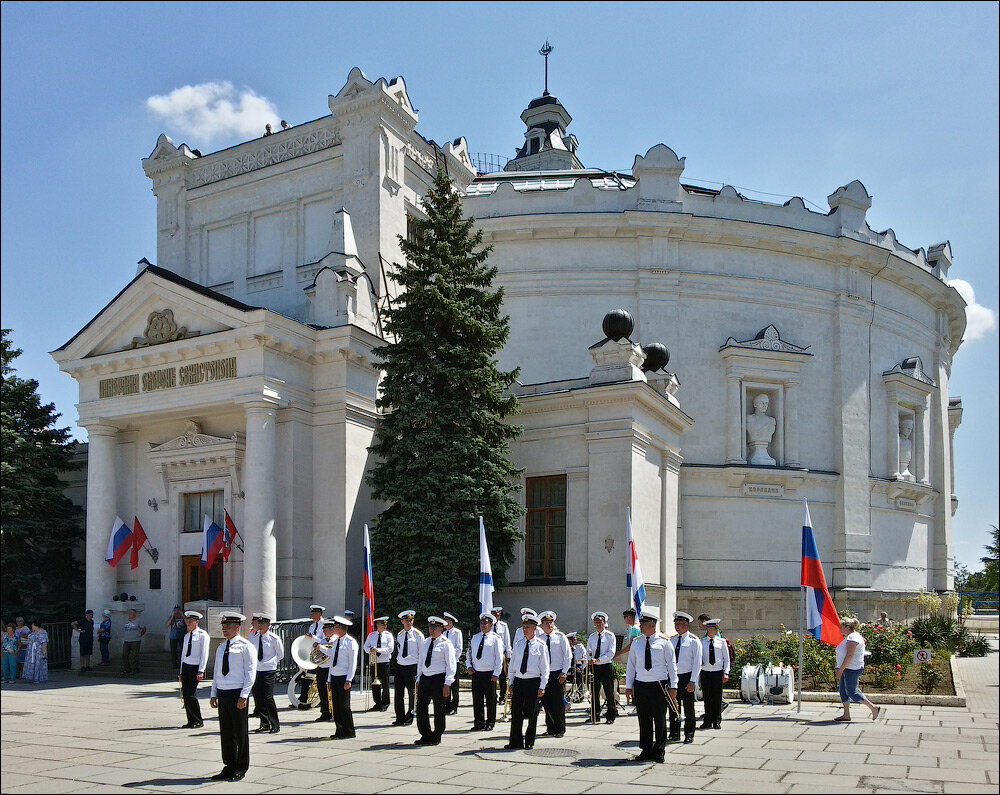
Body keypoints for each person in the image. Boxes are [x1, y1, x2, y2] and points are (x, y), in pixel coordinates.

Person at [625, 607, 678, 763]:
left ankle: (660, 750)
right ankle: (646, 749)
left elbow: (672, 665)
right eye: (640, 625)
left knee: (660, 719)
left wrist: (673, 686)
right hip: (641, 685)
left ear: (653, 626)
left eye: (644, 625)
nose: (640, 627)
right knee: (644, 719)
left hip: (658, 685)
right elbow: (631, 665)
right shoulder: (636, 643)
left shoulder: (664, 642)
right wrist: (629, 686)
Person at [209, 612, 256, 783]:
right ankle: (229, 765)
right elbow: (216, 672)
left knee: (240, 732)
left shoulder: (245, 646)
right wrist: (213, 693)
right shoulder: (221, 647)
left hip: (237, 692)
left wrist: (244, 695)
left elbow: (250, 673)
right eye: (223, 627)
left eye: (228, 627)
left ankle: (241, 767)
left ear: (237, 627)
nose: (224, 630)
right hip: (223, 692)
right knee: (226, 732)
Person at [505, 610, 549, 750]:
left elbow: (545, 668)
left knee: (532, 713)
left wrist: (542, 686)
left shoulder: (541, 646)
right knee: (516, 712)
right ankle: (515, 741)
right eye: (524, 627)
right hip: (519, 681)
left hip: (533, 682)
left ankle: (529, 741)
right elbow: (513, 665)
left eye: (528, 627)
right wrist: (511, 682)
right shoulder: (518, 644)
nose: (525, 630)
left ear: (535, 628)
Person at [414, 616, 456, 746]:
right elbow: (421, 662)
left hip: (439, 679)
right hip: (425, 679)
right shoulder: (426, 642)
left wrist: (447, 683)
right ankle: (425, 734)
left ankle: (437, 735)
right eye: (431, 627)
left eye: (435, 628)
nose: (432, 630)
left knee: (438, 709)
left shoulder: (446, 644)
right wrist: (418, 678)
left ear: (442, 629)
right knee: (421, 708)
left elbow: (451, 665)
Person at [835, 617, 881, 723]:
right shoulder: (850, 636)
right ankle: (846, 714)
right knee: (843, 691)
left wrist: (840, 669)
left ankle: (873, 708)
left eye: (841, 627)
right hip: (848, 668)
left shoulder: (853, 637)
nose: (840, 629)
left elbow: (850, 655)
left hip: (851, 669)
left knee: (851, 692)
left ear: (847, 627)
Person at [669, 611, 702, 744]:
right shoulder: (672, 640)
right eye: (676, 624)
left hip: (687, 677)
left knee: (689, 708)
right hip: (674, 677)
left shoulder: (694, 641)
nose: (677, 627)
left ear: (686, 625)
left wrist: (693, 681)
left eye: (680, 624)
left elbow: (697, 663)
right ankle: (675, 733)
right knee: (673, 707)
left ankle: (689, 734)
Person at [325, 615, 359, 740]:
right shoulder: (335, 641)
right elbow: (332, 660)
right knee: (336, 705)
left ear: (341, 628)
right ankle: (339, 730)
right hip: (334, 676)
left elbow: (353, 663)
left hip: (344, 677)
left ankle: (349, 731)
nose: (333, 629)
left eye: (335, 627)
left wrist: (349, 679)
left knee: (344, 706)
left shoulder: (351, 642)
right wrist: (329, 679)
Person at [468, 612, 503, 731]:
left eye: (486, 623)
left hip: (489, 673)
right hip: (477, 672)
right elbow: (470, 653)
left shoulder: (495, 639)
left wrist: (496, 673)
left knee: (490, 700)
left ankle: (490, 722)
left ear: (491, 625)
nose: (483, 625)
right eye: (482, 623)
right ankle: (478, 722)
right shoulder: (475, 637)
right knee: (477, 699)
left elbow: (499, 658)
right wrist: (469, 666)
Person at [249, 613, 284, 734]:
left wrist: (271, 662)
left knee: (268, 697)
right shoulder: (253, 636)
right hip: (256, 670)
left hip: (268, 670)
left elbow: (280, 654)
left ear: (268, 625)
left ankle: (275, 724)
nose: (260, 625)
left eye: (262, 623)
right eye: (258, 623)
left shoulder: (274, 638)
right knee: (258, 698)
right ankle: (264, 723)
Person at [538, 611, 570, 738]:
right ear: (541, 625)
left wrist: (564, 672)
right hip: (544, 674)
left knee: (558, 702)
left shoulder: (560, 637)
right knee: (547, 702)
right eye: (546, 623)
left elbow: (568, 656)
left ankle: (560, 728)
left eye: (551, 622)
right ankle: (550, 728)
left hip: (557, 673)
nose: (549, 625)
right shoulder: (539, 639)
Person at [179, 610, 211, 729]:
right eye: (187, 622)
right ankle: (190, 720)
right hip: (186, 667)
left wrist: (201, 670)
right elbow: (183, 655)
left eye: (190, 622)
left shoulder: (203, 635)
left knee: (191, 694)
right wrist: (181, 672)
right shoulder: (187, 636)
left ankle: (198, 720)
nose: (188, 624)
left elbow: (204, 654)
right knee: (185, 695)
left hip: (195, 667)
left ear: (196, 622)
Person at [393, 609, 423, 726]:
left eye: (410, 620)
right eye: (406, 620)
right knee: (398, 693)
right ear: (402, 622)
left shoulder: (417, 635)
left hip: (412, 666)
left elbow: (421, 653)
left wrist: (420, 671)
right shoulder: (400, 635)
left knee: (412, 693)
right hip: (401, 666)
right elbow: (400, 650)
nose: (409, 622)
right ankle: (399, 717)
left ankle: (410, 716)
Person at [586, 611, 617, 724]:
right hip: (595, 667)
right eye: (596, 622)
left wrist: (599, 659)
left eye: (600, 622)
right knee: (594, 692)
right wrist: (589, 658)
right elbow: (588, 650)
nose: (598, 624)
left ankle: (611, 715)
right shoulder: (592, 637)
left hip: (606, 666)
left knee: (609, 691)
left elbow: (611, 652)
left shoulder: (610, 636)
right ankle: (595, 715)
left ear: (604, 623)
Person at [700, 619, 730, 730]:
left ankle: (717, 720)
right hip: (706, 672)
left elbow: (726, 659)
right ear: (707, 630)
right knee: (707, 697)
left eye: (715, 629)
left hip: (717, 672)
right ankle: (707, 720)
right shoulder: (702, 642)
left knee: (717, 697)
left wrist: (726, 672)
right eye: (711, 629)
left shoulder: (721, 642)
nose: (714, 631)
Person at [362, 616, 394, 712]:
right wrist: (370, 650)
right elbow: (365, 647)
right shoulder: (371, 635)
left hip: (384, 662)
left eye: (385, 625)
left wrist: (378, 650)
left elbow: (390, 649)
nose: (384, 627)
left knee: (385, 684)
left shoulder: (388, 636)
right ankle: (377, 703)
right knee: (375, 684)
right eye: (381, 625)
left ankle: (385, 703)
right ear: (377, 626)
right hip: (374, 662)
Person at [300, 604, 325, 709]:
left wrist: (313, 638)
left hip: (321, 654)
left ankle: (319, 700)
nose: (312, 615)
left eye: (314, 613)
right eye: (312, 613)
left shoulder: (324, 625)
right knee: (306, 675)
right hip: (312, 653)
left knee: (318, 678)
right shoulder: (312, 626)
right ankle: (303, 698)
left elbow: (325, 640)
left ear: (319, 614)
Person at [313, 619, 337, 722]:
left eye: (326, 630)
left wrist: (321, 648)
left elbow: (331, 653)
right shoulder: (322, 641)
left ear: (332, 630)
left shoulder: (335, 640)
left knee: (331, 692)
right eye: (323, 630)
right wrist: (315, 648)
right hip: (321, 668)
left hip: (330, 669)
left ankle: (334, 712)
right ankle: (325, 712)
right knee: (322, 691)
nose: (324, 632)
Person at [490, 606, 513, 705]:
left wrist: (508, 655)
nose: (496, 617)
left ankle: (502, 696)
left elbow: (507, 641)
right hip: (490, 654)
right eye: (494, 615)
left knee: (503, 677)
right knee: (492, 675)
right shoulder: (488, 626)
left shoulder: (503, 626)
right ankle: (492, 696)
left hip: (501, 654)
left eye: (498, 615)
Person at [442, 612, 463, 715]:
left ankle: (454, 707)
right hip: (444, 663)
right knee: (446, 685)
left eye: (446, 621)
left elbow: (459, 649)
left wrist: (450, 658)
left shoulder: (457, 633)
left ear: (451, 622)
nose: (444, 623)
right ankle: (446, 706)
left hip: (454, 662)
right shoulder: (443, 633)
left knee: (454, 686)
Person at [121, 608, 146, 675]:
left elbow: (143, 629)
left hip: (135, 640)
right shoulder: (126, 621)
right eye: (129, 613)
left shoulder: (138, 621)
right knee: (124, 655)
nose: (130, 614)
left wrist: (139, 635)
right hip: (126, 640)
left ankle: (135, 669)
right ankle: (127, 669)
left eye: (131, 613)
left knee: (134, 655)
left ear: (135, 614)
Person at [165, 605, 186, 670]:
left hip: (182, 635)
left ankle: (182, 664)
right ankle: (174, 664)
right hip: (173, 636)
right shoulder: (172, 618)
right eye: (175, 611)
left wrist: (182, 616)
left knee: (183, 650)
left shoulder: (183, 617)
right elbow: (167, 625)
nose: (177, 613)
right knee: (173, 651)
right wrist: (172, 617)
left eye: (178, 611)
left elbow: (187, 623)